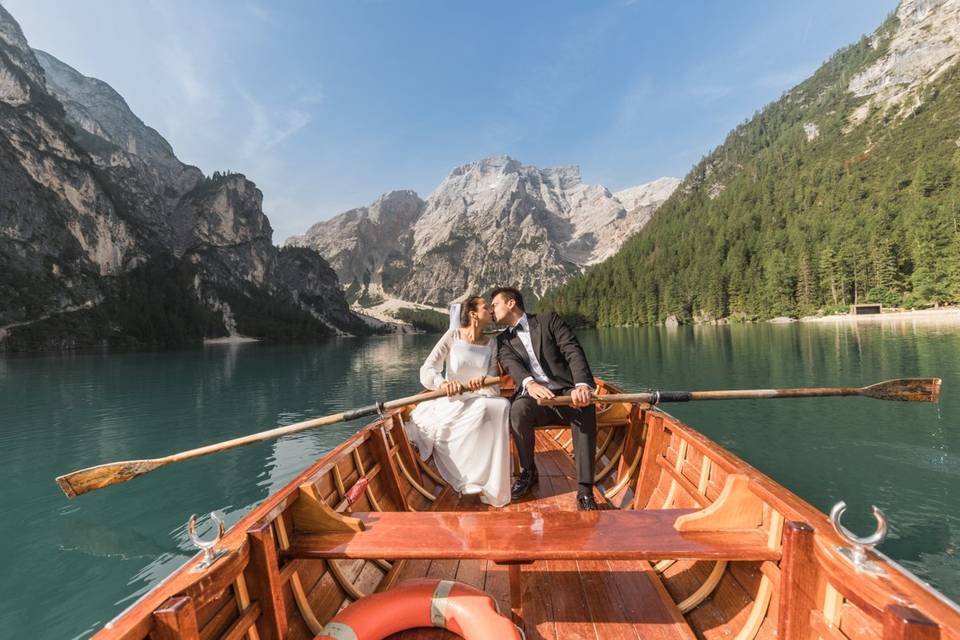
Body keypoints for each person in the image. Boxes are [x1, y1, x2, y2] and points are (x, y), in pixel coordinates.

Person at [490, 286, 599, 511]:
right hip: (535, 399)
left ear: (511, 303)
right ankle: (528, 472)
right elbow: (513, 366)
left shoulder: (548, 320)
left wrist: (582, 386)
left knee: (585, 407)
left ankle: (585, 489)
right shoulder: (503, 341)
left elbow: (572, 350)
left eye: (494, 305)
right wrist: (529, 384)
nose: (492, 311)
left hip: (565, 393)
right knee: (518, 410)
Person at [403, 296, 511, 507]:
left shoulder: (492, 344)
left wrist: (483, 382)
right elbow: (427, 370)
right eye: (485, 307)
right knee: (488, 408)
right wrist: (443, 384)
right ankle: (468, 478)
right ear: (473, 314)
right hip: (450, 400)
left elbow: (495, 387)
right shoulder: (452, 336)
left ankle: (491, 484)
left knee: (501, 405)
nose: (491, 310)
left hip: (478, 397)